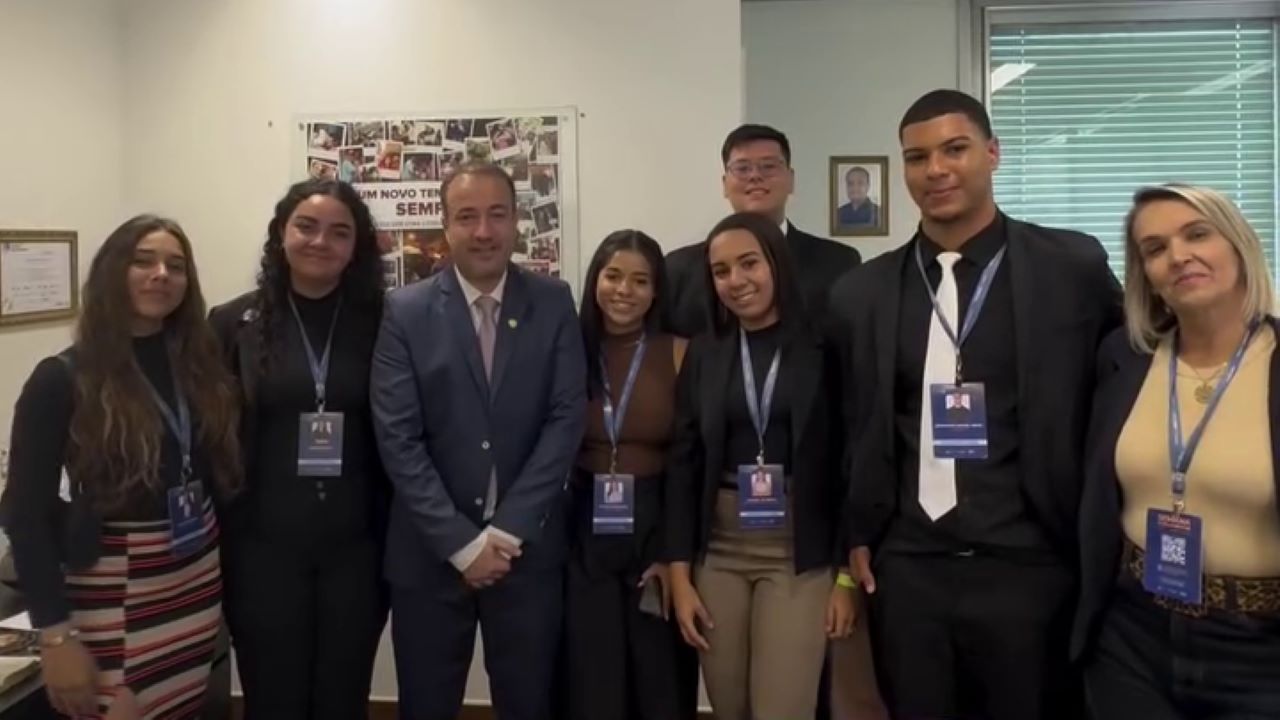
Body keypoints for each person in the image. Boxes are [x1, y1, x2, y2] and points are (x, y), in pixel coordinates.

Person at [829, 88, 1124, 720]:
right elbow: (849, 425)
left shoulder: (1070, 267)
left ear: (993, 153)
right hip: (907, 570)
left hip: (1031, 565)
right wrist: (854, 539)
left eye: (954, 149)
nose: (935, 170)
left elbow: (1133, 378)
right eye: (916, 157)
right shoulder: (861, 294)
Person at [2, 215, 241, 719]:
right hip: (112, 587)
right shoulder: (61, 378)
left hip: (192, 577)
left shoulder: (199, 368)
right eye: (143, 261)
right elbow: (23, 515)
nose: (161, 274)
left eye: (175, 266)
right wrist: (56, 634)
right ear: (113, 271)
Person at [371, 162, 586, 720]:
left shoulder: (554, 300)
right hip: (429, 556)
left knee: (529, 704)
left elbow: (565, 419)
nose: (484, 231)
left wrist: (509, 530)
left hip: (527, 556)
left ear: (518, 222)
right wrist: (463, 545)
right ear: (446, 227)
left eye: (497, 215)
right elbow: (398, 438)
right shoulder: (404, 311)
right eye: (467, 217)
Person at [1075, 184, 1280, 718]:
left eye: (1196, 234)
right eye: (1155, 248)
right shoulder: (1125, 359)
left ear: (1237, 244)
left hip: (1259, 650)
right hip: (1134, 635)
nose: (1178, 256)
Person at [208, 179, 390, 720]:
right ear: (280, 234)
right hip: (262, 551)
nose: (320, 241)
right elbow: (211, 435)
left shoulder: (384, 320)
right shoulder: (232, 322)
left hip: (358, 552)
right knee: (273, 699)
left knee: (343, 698)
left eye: (339, 232)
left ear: (356, 247)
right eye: (306, 226)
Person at [667, 212, 857, 720]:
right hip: (719, 551)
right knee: (730, 707)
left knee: (782, 708)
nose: (736, 281)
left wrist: (845, 578)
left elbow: (850, 463)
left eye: (749, 263)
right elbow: (683, 466)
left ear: (777, 263)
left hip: (800, 551)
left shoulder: (827, 347)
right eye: (721, 270)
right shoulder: (705, 352)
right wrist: (681, 577)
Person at [565, 229, 698, 720]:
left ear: (657, 290)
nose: (624, 290)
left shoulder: (681, 352)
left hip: (657, 524)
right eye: (613, 275)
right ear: (595, 280)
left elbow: (692, 462)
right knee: (591, 678)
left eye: (640, 281)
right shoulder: (568, 348)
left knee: (658, 680)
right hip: (582, 527)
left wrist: (673, 552)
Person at [665, 124, 861, 338]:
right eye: (742, 168)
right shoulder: (678, 269)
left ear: (791, 179)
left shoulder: (839, 262)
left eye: (768, 166)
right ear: (724, 184)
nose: (755, 176)